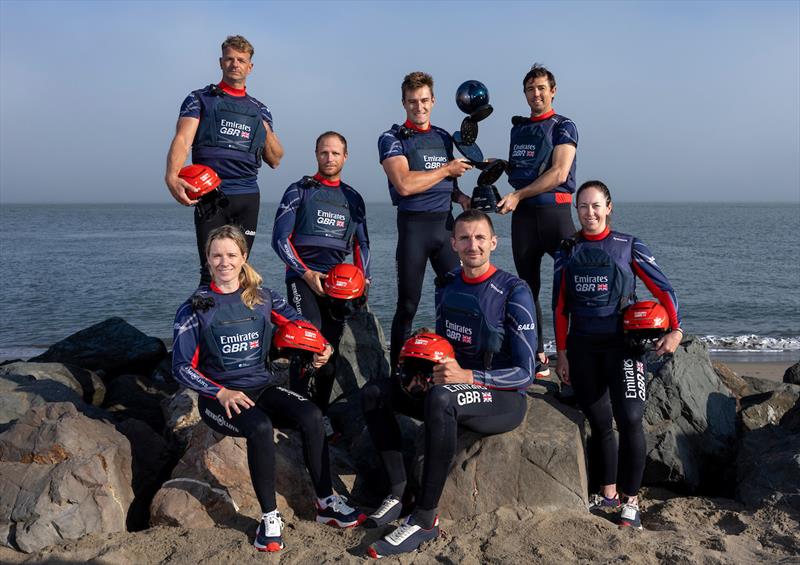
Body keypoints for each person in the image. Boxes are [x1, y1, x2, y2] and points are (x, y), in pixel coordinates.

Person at [172, 225, 365, 553]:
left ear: (243, 257)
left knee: (312, 414)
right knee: (260, 427)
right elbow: (180, 367)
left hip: (261, 386)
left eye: (231, 255)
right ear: (206, 259)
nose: (224, 262)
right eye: (217, 255)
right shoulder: (195, 309)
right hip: (219, 397)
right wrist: (220, 393)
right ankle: (269, 518)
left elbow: (298, 323)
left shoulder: (262, 297)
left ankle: (325, 502)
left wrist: (322, 348)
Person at [362, 210, 537, 557]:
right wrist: (420, 371)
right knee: (374, 393)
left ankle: (425, 519)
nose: (473, 245)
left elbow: (526, 371)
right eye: (465, 238)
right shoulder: (447, 283)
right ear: (454, 244)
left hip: (500, 396)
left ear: (493, 243)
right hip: (449, 385)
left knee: (442, 399)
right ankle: (399, 490)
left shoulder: (514, 291)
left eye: (480, 238)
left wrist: (470, 377)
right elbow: (445, 346)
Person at [553, 180, 683, 530]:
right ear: (576, 210)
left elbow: (663, 288)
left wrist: (676, 330)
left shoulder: (628, 246)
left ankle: (631, 501)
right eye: (582, 206)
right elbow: (560, 306)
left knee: (630, 419)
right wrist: (561, 353)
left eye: (596, 205)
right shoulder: (567, 250)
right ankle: (607, 493)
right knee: (598, 423)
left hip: (623, 347)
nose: (589, 212)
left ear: (609, 207)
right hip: (581, 347)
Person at [271, 131, 370, 436]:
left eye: (336, 153)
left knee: (330, 345)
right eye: (324, 153)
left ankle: (320, 414)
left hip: (339, 283)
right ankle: (298, 411)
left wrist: (362, 279)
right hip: (304, 277)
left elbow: (361, 244)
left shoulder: (353, 198)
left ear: (345, 156)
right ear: (316, 154)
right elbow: (279, 239)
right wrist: (306, 274)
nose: (330, 158)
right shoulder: (298, 191)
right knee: (308, 332)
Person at [165, 35, 284, 285]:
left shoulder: (259, 109)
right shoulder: (200, 99)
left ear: (250, 67)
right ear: (220, 62)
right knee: (212, 269)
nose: (235, 64)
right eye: (229, 59)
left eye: (241, 60)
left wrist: (264, 127)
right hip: (211, 195)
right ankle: (204, 321)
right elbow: (183, 139)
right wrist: (172, 177)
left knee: (238, 270)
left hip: (247, 196)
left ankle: (239, 321)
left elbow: (275, 159)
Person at [378, 71, 474, 368]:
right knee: (408, 306)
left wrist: (463, 199)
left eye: (423, 101)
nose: (418, 107)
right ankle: (397, 374)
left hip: (446, 227)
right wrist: (447, 169)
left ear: (433, 101)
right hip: (413, 230)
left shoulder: (444, 136)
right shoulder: (391, 138)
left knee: (459, 299)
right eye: (411, 102)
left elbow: (449, 183)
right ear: (403, 103)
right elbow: (405, 183)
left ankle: (454, 362)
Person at [497, 64, 578, 378]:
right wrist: (500, 166)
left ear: (553, 90)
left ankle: (569, 355)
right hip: (524, 221)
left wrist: (517, 195)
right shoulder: (518, 129)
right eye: (531, 89)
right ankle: (538, 354)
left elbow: (558, 173)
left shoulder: (564, 125)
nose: (536, 94)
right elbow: (523, 170)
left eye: (542, 88)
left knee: (566, 291)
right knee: (527, 290)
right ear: (525, 93)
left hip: (556, 216)